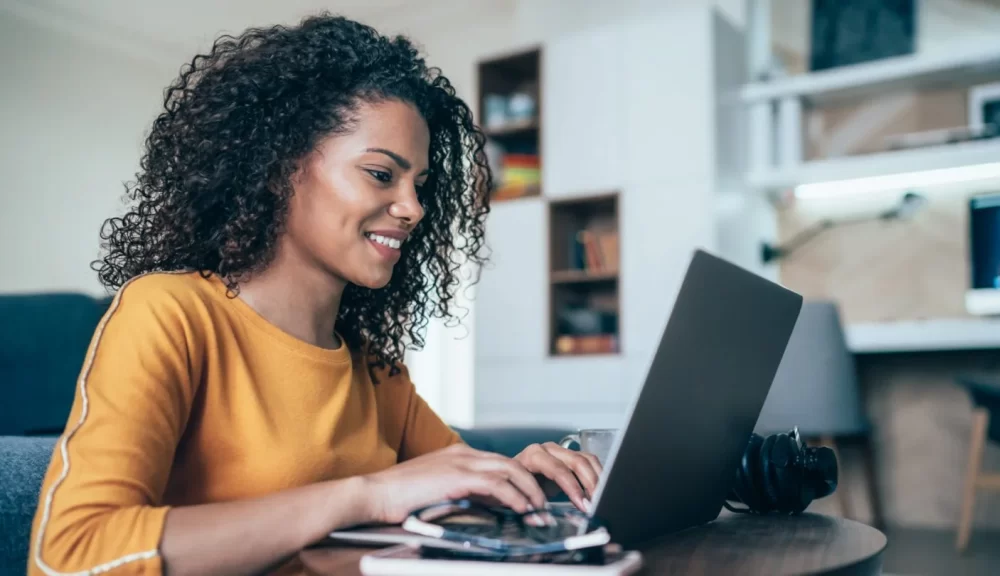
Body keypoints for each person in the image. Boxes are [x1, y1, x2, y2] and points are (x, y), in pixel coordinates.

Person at [28, 13, 602, 576]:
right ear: (280, 168)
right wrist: (368, 495)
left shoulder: (374, 370)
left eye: (420, 186)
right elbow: (72, 555)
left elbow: (452, 486)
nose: (414, 209)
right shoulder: (169, 314)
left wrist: (521, 474)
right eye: (382, 174)